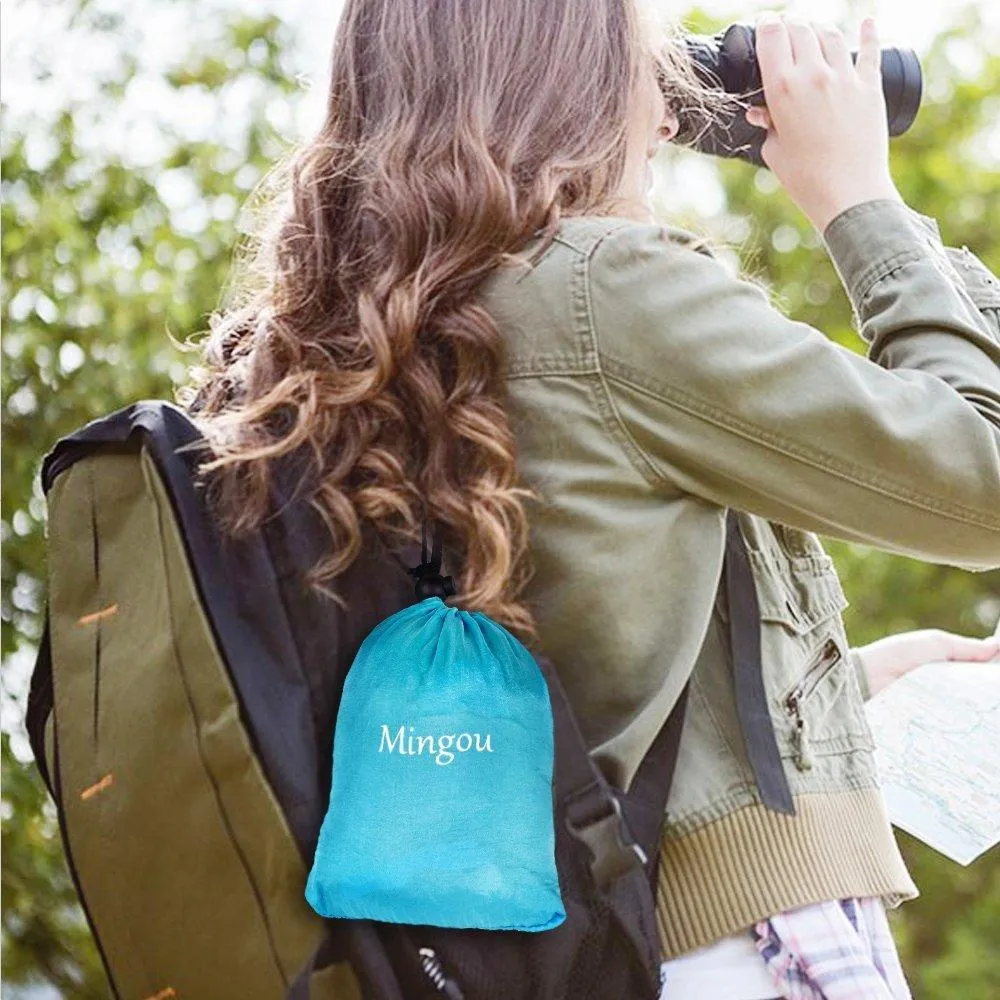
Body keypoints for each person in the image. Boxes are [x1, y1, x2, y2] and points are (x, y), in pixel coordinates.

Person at [180, 2, 1000, 998]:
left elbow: (555, 679)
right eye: (640, 77)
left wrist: (846, 687)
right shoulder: (603, 291)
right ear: (564, 89)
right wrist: (860, 201)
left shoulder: (338, 338)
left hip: (585, 947)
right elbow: (980, 482)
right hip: (741, 949)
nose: (666, 122)